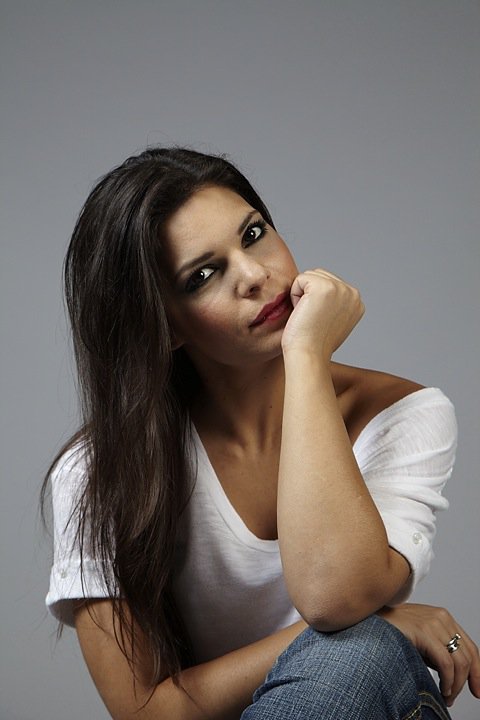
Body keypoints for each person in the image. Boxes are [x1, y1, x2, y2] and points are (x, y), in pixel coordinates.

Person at [43, 147, 480, 719]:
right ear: (165, 325)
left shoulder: (402, 416)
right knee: (367, 640)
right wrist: (385, 621)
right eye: (203, 275)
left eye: (253, 235)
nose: (255, 276)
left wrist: (306, 356)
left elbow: (332, 596)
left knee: (363, 656)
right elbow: (145, 710)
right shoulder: (101, 470)